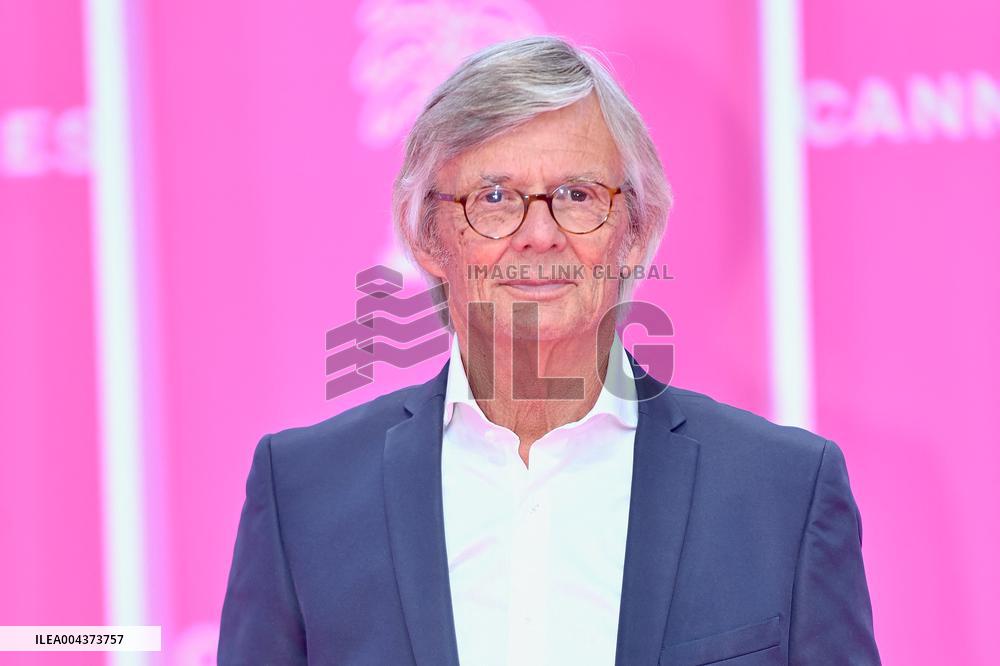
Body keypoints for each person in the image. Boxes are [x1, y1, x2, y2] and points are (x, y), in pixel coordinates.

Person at [218, 36, 880, 665]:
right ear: (426, 236)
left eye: (578, 195)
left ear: (637, 232)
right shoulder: (304, 493)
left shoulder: (784, 494)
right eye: (496, 198)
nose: (540, 234)